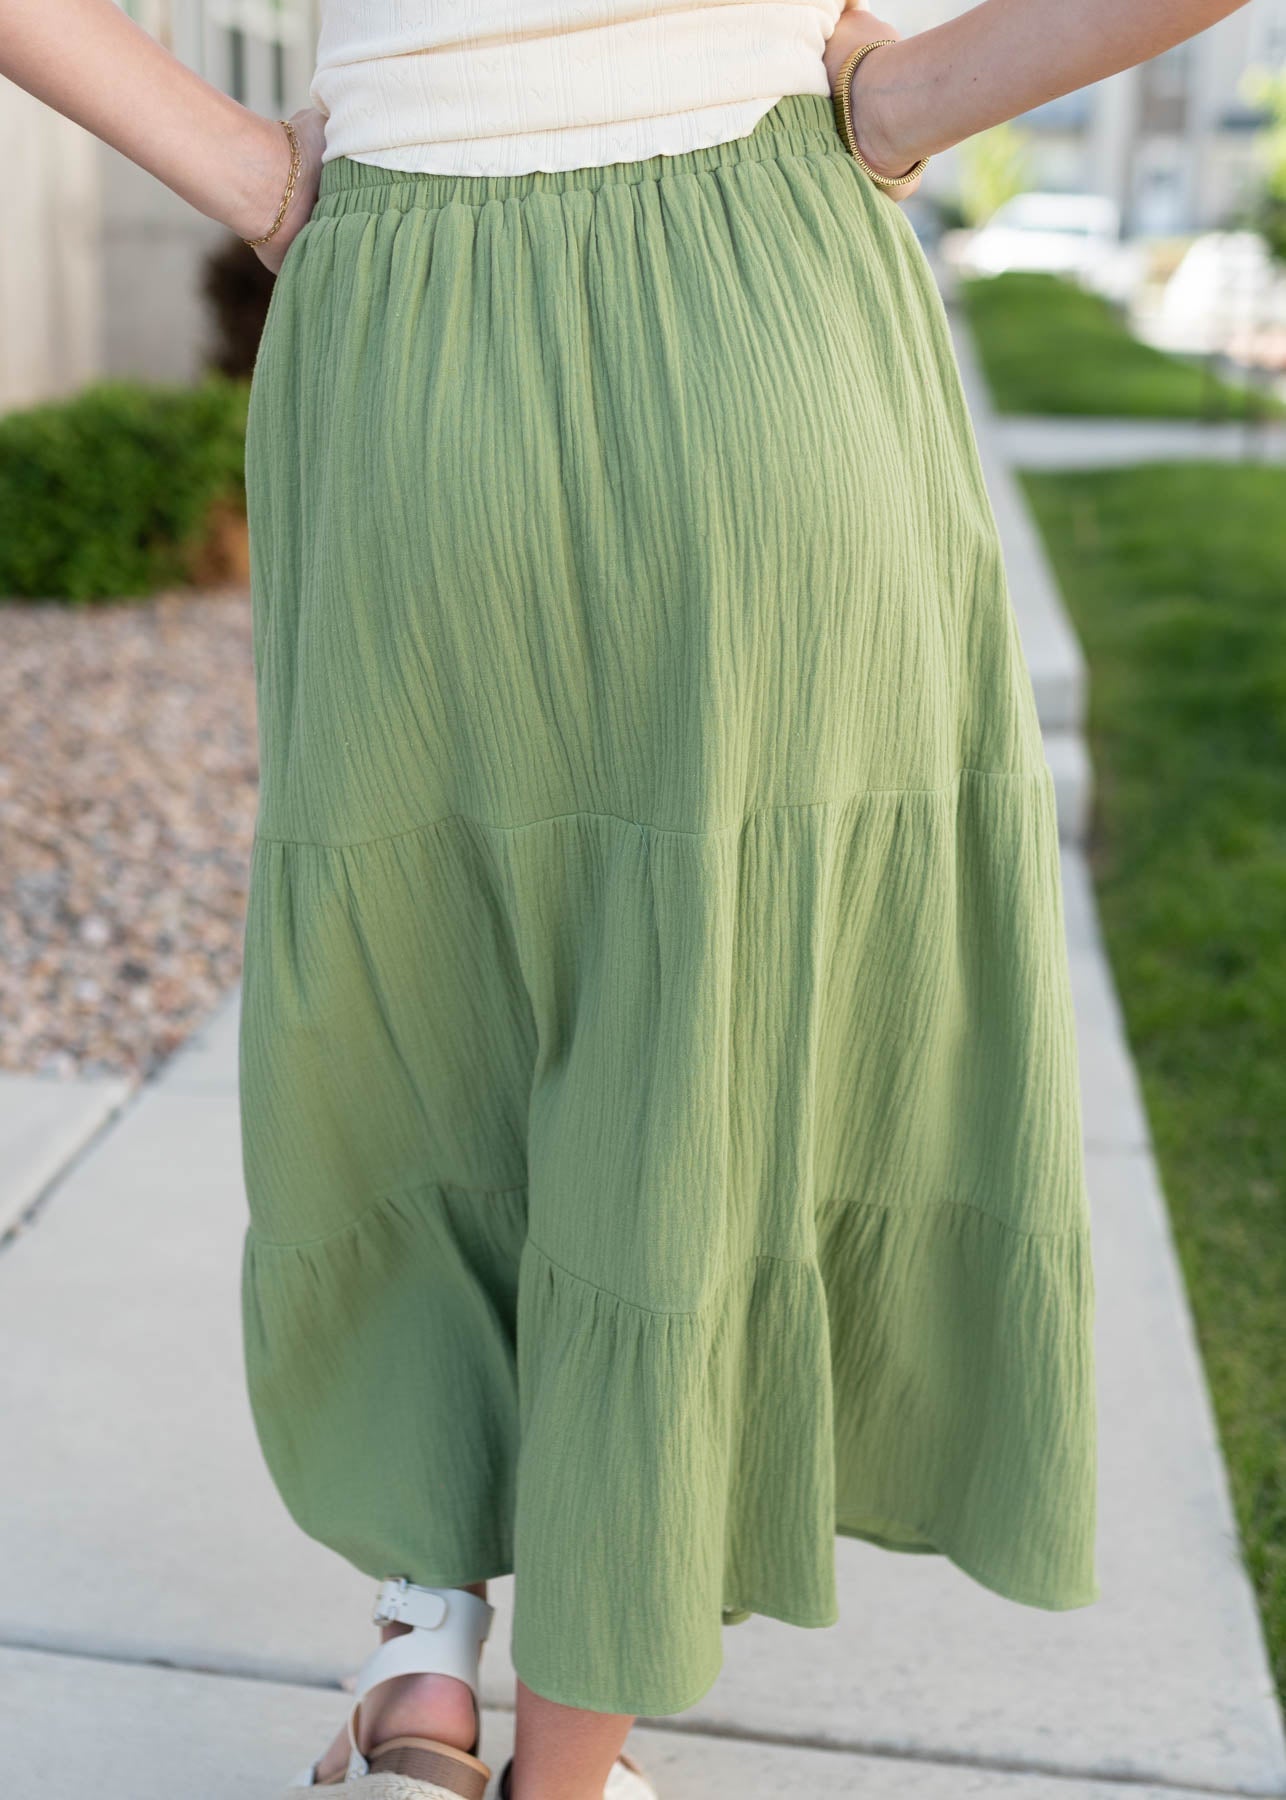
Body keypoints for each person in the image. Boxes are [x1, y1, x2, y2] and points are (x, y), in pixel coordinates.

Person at [3, 0, 1250, 1794]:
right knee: (696, 1007)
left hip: (401, 311)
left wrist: (246, 171)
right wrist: (904, 92)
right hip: (760, 300)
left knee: (415, 970)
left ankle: (423, 1644)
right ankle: (569, 1764)